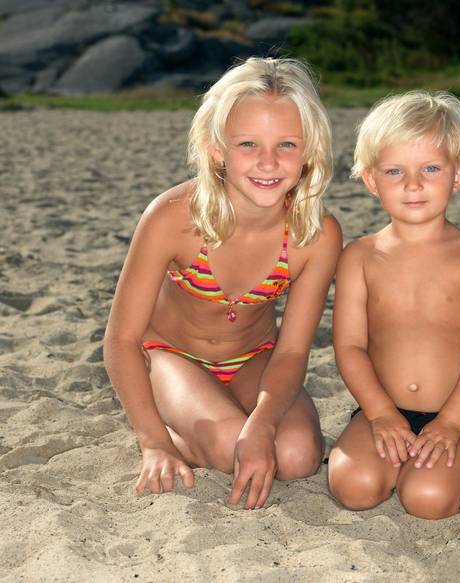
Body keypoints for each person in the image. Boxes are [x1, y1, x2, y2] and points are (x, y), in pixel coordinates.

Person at [103, 57, 342, 510]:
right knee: (230, 446)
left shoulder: (315, 234)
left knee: (297, 456)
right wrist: (154, 442)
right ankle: (173, 427)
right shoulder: (173, 218)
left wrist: (264, 423)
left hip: (254, 359)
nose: (268, 162)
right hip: (170, 358)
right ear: (216, 148)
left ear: (310, 150)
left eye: (287, 144)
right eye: (248, 144)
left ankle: (222, 414)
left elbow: (291, 351)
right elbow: (121, 340)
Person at [327, 91, 460, 519]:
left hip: (457, 415)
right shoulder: (359, 256)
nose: (413, 184)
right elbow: (350, 346)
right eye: (394, 171)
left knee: (427, 499)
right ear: (371, 180)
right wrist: (379, 414)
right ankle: (390, 455)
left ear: (458, 174)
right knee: (354, 487)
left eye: (430, 168)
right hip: (380, 410)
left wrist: (451, 423)